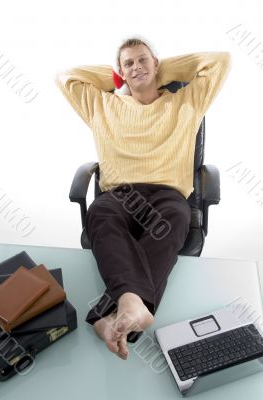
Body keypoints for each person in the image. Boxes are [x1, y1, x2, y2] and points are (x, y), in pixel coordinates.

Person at [55, 38, 232, 360]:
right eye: (128, 63)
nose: (136, 66)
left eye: (143, 60)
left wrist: (161, 71)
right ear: (119, 72)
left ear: (157, 64)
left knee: (175, 220)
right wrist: (120, 78)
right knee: (101, 214)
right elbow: (66, 76)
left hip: (167, 194)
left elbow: (220, 59)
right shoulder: (103, 106)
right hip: (120, 194)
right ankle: (132, 305)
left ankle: (114, 310)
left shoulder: (186, 103)